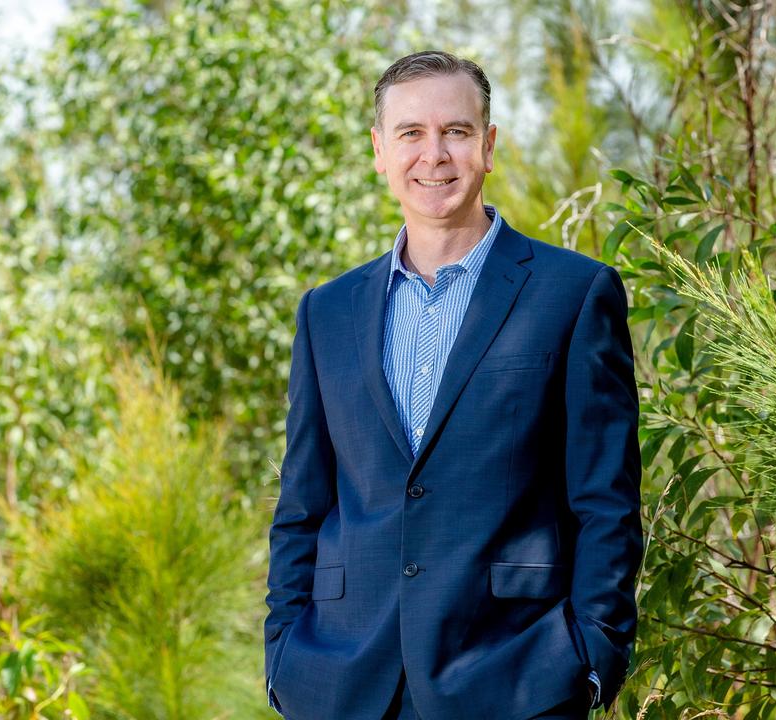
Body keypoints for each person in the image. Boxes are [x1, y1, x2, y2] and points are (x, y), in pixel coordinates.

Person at [263, 50, 642, 720]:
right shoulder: (326, 312)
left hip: (514, 677)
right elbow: (302, 506)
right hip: (341, 684)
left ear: (488, 146)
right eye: (410, 133)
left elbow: (605, 505)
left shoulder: (572, 294)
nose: (433, 155)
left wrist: (588, 665)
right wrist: (283, 662)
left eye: (456, 132)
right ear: (379, 151)